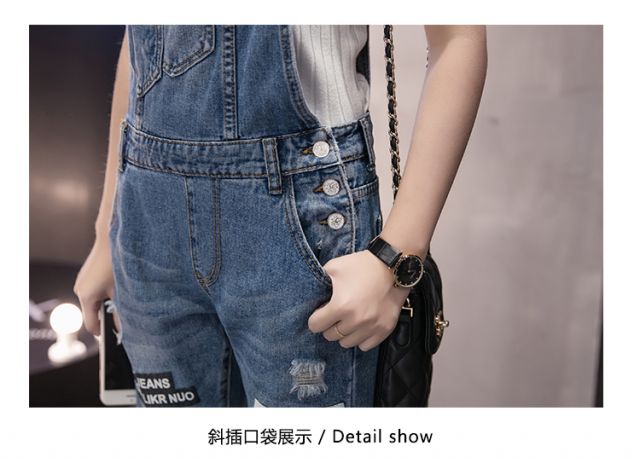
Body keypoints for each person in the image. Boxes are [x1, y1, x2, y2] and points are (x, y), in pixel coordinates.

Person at [74, 25, 487, 407]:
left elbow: (457, 38)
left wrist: (396, 258)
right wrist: (108, 228)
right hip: (148, 227)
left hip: (302, 219)